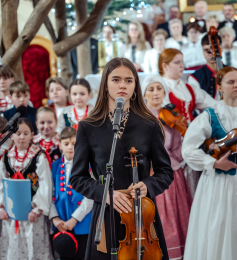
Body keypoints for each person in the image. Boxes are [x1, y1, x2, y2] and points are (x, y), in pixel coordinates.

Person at [69, 57, 174, 260]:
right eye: (116, 80)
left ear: (135, 86)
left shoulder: (149, 125)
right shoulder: (89, 127)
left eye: (129, 80)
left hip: (142, 216)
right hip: (106, 215)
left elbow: (165, 172)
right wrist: (105, 194)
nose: (122, 85)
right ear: (105, 85)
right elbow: (77, 177)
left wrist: (148, 185)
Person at [182, 66, 237, 260]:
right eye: (230, 82)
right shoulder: (209, 115)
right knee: (219, 228)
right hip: (219, 184)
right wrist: (214, 163)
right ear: (219, 87)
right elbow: (188, 149)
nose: (236, 85)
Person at [141, 74, 192, 260]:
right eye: (151, 89)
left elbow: (178, 150)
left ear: (165, 91)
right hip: (149, 177)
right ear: (144, 94)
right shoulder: (138, 119)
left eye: (159, 88)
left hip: (172, 175)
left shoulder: (171, 116)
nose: (156, 93)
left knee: (177, 221)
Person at [0, 118, 53, 260]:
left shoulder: (38, 156)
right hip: (11, 214)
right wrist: (0, 206)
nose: (22, 137)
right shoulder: (6, 157)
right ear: (11, 135)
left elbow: (45, 184)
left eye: (26, 133)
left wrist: (37, 208)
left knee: (33, 248)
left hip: (32, 215)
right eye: (18, 133)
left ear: (32, 134)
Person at [49, 127, 93, 260]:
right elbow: (48, 193)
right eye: (66, 144)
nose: (70, 147)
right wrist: (54, 218)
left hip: (82, 223)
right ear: (59, 145)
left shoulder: (89, 166)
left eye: (74, 143)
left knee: (83, 254)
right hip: (61, 223)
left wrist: (74, 219)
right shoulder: (54, 166)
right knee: (65, 256)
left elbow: (90, 196)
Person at [159, 48, 215, 123]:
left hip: (192, 131)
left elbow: (212, 104)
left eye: (182, 62)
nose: (182, 66)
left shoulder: (188, 87)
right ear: (165, 66)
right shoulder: (159, 88)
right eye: (177, 62)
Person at [188, 34, 237, 101]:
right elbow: (198, 102)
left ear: (221, 49)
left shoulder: (236, 74)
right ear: (202, 51)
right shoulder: (195, 77)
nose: (212, 54)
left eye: (215, 49)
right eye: (207, 50)